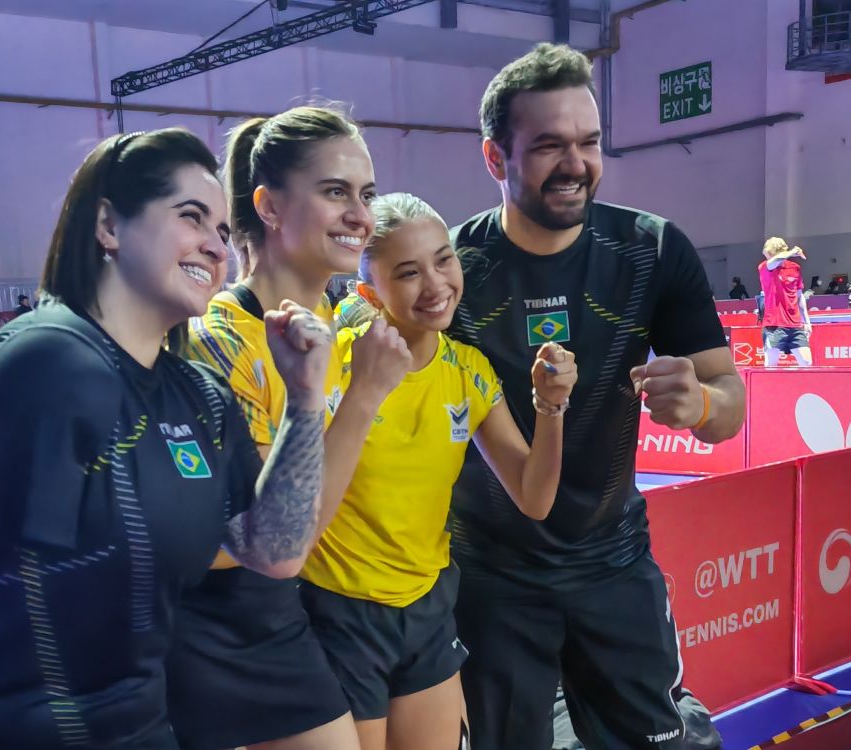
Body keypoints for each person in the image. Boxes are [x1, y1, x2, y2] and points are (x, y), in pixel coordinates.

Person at [0, 127, 334, 749]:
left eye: (221, 230)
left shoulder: (199, 394)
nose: (216, 247)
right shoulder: (47, 359)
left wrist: (304, 399)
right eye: (190, 216)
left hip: (119, 706)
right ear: (108, 225)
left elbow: (273, 552)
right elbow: (44, 593)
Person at [448, 43, 745, 750]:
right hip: (489, 576)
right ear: (495, 157)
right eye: (550, 145)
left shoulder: (651, 249)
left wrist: (701, 405)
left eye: (588, 142)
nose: (576, 164)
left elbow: (728, 403)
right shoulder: (452, 271)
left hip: (612, 562)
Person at [298, 193, 577, 750]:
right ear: (369, 293)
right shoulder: (331, 362)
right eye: (408, 273)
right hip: (338, 612)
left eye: (443, 260)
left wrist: (551, 408)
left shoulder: (467, 371)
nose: (435, 285)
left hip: (427, 610)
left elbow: (534, 498)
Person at [172, 106, 411, 750]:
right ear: (270, 207)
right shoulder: (220, 341)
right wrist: (363, 395)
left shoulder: (349, 316)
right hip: (234, 623)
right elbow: (281, 540)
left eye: (366, 194)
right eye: (336, 192)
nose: (360, 215)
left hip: (336, 608)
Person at [758, 237, 812, 367]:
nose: (767, 257)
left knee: (807, 363)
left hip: (795, 324)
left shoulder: (795, 268)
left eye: (769, 254)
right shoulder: (765, 267)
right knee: (771, 365)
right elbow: (775, 261)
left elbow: (799, 296)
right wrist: (792, 252)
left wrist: (807, 322)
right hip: (774, 324)